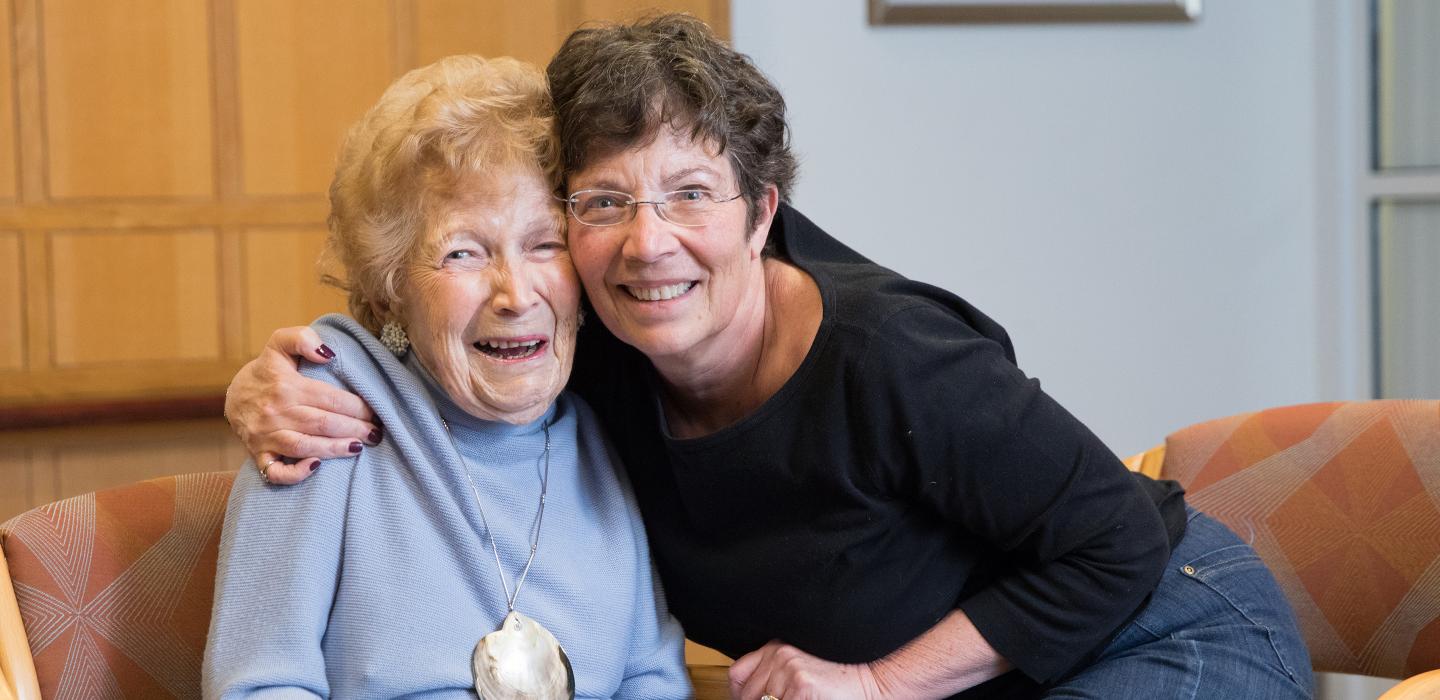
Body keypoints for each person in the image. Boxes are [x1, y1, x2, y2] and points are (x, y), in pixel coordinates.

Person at [222, 16, 1313, 700]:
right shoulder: (595, 348)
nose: (650, 244)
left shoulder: (893, 358)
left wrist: (880, 683)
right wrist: (272, 381)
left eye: (692, 195)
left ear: (763, 214)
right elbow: (436, 310)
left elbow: (1113, 543)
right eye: (602, 205)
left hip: (1158, 623)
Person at [202, 55, 690, 699]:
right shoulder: (319, 426)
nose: (515, 294)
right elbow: (256, 686)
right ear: (388, 288)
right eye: (463, 252)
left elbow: (651, 678)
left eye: (544, 244)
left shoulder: (602, 433)